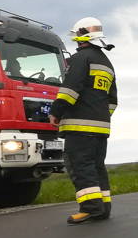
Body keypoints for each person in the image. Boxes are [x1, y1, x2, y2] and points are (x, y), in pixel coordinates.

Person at [50, 17, 117, 225]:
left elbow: (70, 90)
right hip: (101, 127)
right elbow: (112, 101)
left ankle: (90, 208)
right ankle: (103, 208)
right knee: (97, 166)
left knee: (81, 166)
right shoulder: (107, 63)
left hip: (79, 125)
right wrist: (100, 117)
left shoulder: (80, 59)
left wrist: (56, 112)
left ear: (81, 35)